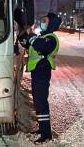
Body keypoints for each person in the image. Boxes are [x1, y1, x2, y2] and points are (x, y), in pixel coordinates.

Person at [20, 13, 61, 144]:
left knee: (41, 102)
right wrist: (23, 36)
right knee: (37, 102)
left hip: (43, 71)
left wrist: (32, 38)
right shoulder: (41, 37)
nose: (42, 22)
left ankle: (46, 134)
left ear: (51, 24)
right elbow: (29, 45)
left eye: (45, 21)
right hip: (37, 72)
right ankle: (41, 128)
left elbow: (41, 46)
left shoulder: (51, 38)